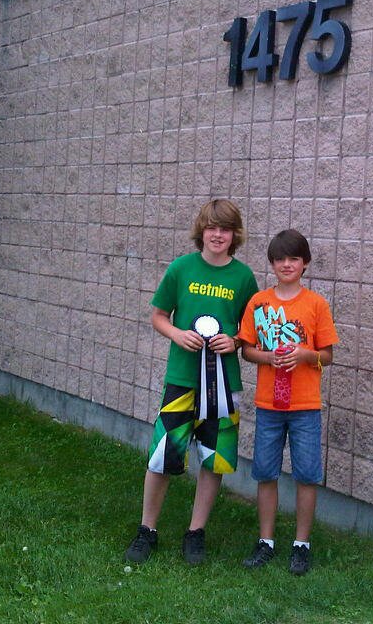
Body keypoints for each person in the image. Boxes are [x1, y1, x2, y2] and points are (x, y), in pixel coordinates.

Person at [124, 199, 259, 566]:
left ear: (235, 235)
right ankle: (147, 529)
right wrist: (177, 334)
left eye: (225, 229)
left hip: (222, 386)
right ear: (202, 230)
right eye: (212, 227)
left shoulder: (244, 278)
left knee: (214, 459)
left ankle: (196, 532)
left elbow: (251, 332)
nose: (218, 235)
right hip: (181, 379)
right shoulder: (181, 269)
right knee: (163, 454)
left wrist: (235, 341)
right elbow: (158, 316)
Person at [237, 228, 338, 575]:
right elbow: (247, 349)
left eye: (294, 258)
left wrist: (305, 355)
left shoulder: (316, 304)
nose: (286, 264)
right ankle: (265, 541)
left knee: (306, 474)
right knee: (266, 471)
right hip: (269, 405)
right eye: (280, 259)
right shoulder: (258, 302)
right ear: (271, 263)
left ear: (305, 263)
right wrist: (269, 358)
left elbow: (327, 355)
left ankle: (301, 544)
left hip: (305, 407)